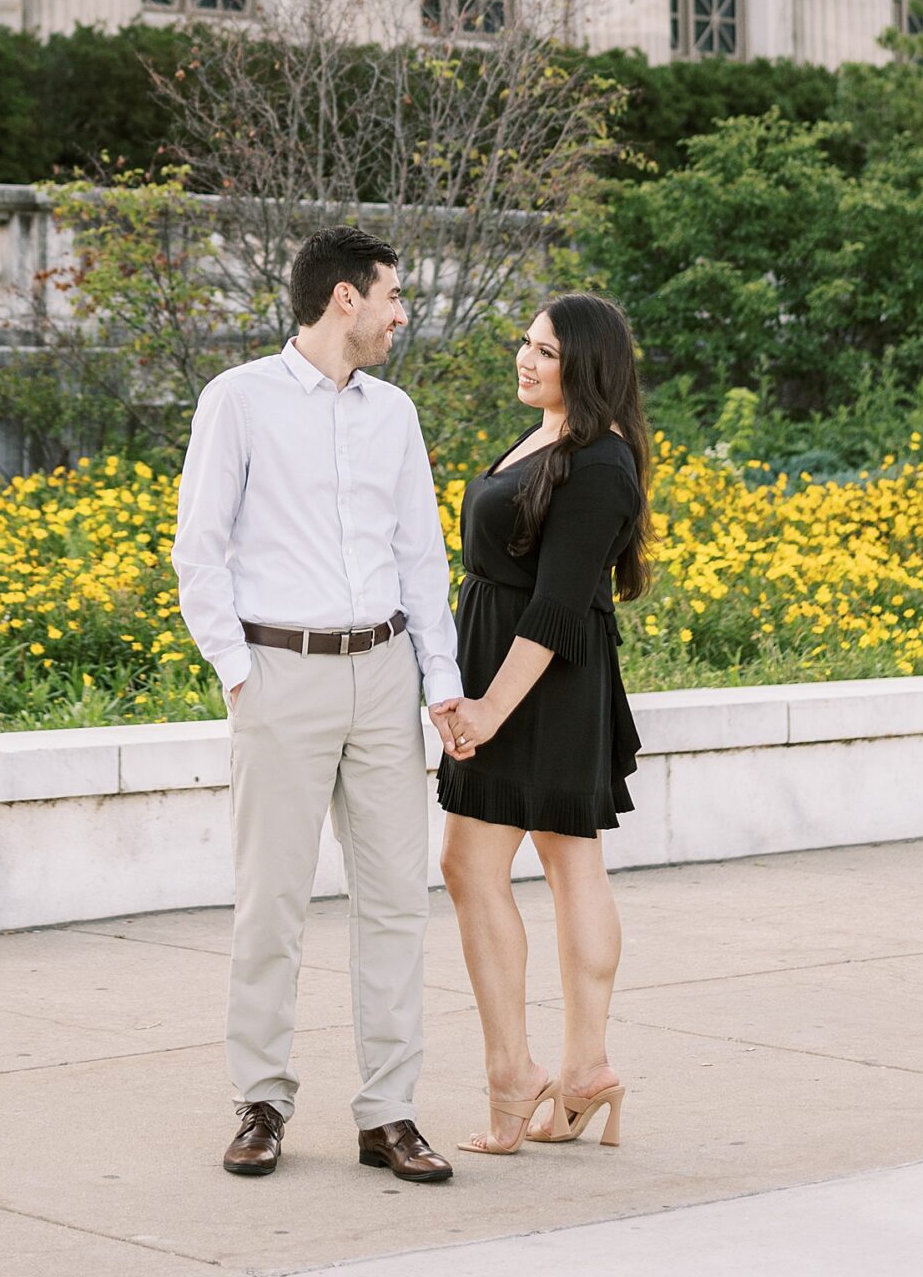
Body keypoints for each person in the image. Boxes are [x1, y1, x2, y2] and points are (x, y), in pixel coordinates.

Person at [172, 226, 464, 1184]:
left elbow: (422, 558)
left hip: (380, 674)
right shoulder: (239, 400)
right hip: (279, 672)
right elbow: (198, 547)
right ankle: (260, 1100)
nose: (398, 312)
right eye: (390, 294)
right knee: (272, 903)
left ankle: (389, 1113)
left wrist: (441, 683)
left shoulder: (395, 413)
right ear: (345, 298)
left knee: (395, 905)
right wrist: (235, 668)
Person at [435, 291, 650, 1156]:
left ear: (587, 365)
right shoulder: (548, 434)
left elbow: (558, 607)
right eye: (523, 344)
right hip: (516, 666)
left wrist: (489, 706)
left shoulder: (601, 462)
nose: (525, 360)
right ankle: (580, 1069)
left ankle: (521, 1072)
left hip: (537, 677)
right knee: (565, 861)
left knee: (485, 862)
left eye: (546, 352)